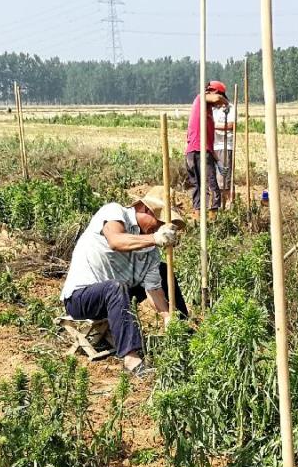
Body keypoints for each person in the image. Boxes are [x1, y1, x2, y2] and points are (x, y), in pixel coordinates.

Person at [60, 185, 185, 379]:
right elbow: (116, 241)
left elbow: (153, 289)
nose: (159, 227)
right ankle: (131, 359)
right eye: (159, 220)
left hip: (116, 296)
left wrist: (166, 314)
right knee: (116, 286)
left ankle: (183, 330)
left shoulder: (150, 249)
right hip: (81, 298)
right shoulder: (115, 212)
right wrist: (154, 238)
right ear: (144, 209)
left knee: (162, 269)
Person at [186, 80, 230, 215]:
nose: (219, 105)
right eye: (219, 102)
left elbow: (209, 144)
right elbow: (217, 98)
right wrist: (226, 103)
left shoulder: (207, 112)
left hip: (198, 152)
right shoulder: (201, 99)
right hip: (199, 152)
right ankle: (212, 219)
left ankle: (200, 218)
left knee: (199, 187)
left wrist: (218, 162)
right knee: (211, 187)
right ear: (213, 91)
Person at [213, 99, 235, 207]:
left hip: (224, 146)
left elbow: (231, 125)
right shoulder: (212, 108)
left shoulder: (229, 108)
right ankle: (217, 206)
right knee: (214, 180)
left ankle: (227, 206)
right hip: (212, 146)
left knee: (224, 180)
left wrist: (212, 126)